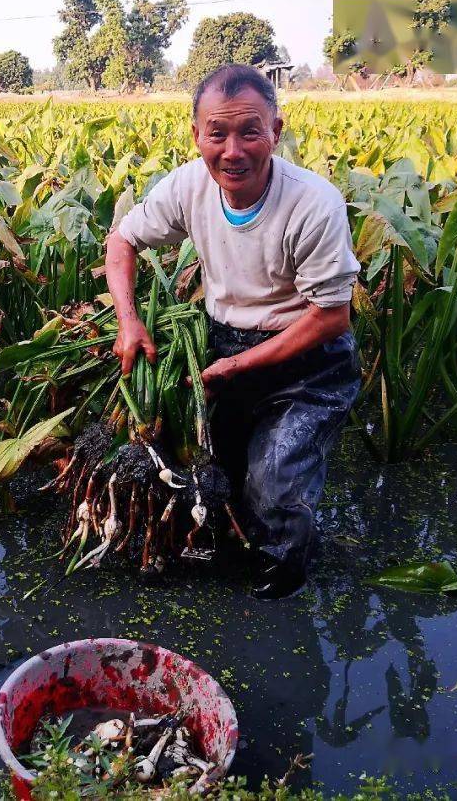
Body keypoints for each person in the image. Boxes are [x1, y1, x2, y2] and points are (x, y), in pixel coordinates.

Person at [104, 64, 361, 598]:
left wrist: (242, 365)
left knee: (273, 483)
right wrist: (129, 320)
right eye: (217, 133)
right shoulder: (190, 185)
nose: (233, 150)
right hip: (226, 343)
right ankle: (226, 557)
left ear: (276, 130)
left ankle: (282, 585)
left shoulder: (313, 204)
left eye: (250, 131)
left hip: (306, 358)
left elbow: (332, 314)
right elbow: (122, 241)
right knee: (212, 471)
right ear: (196, 133)